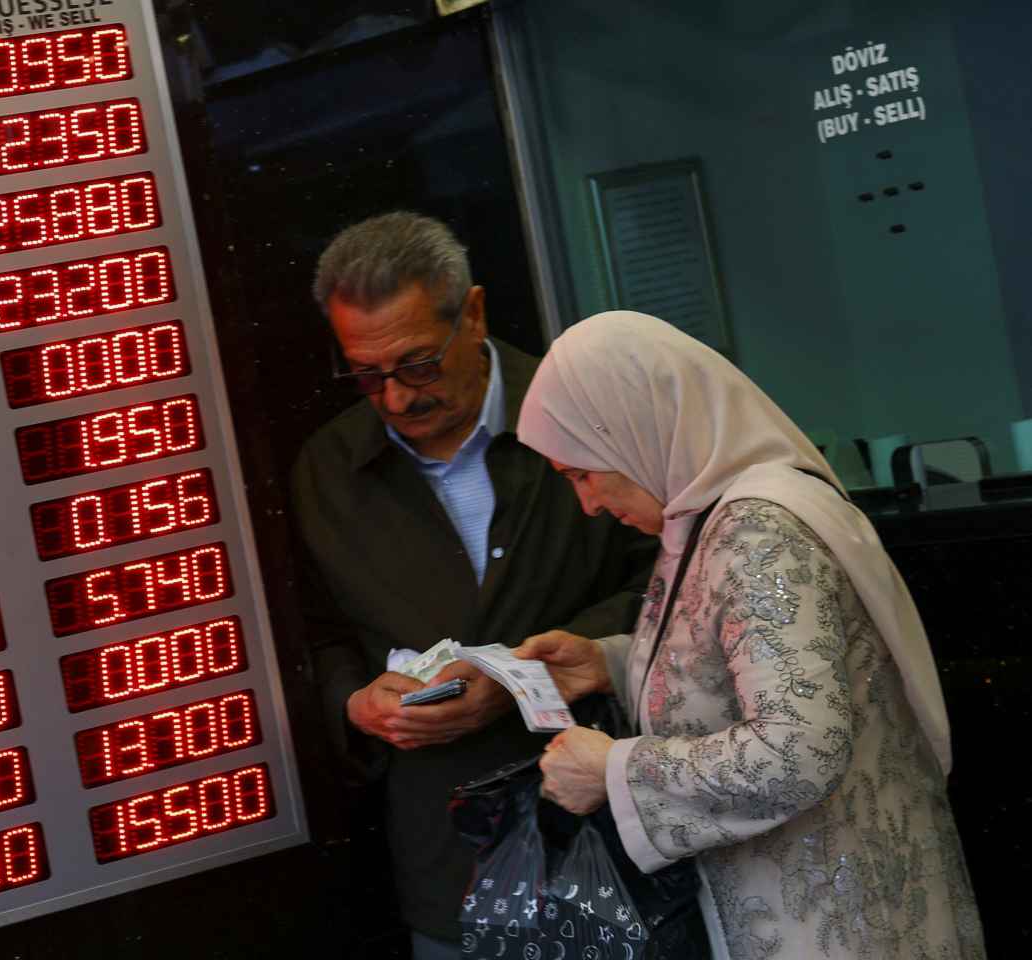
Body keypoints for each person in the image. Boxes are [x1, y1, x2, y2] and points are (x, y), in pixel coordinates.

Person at [514, 310, 985, 959]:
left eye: (582, 473)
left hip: (834, 927)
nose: (587, 505)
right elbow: (746, 665)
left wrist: (617, 772)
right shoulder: (710, 512)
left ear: (634, 428)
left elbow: (797, 751)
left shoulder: (758, 533)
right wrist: (609, 662)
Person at [288, 212, 657, 958]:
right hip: (447, 859)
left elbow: (673, 582)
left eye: (418, 364)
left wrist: (524, 674)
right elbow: (318, 638)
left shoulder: (585, 415)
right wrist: (356, 705)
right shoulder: (327, 470)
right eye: (366, 373)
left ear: (476, 313)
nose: (395, 398)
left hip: (621, 827)